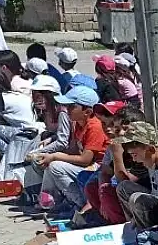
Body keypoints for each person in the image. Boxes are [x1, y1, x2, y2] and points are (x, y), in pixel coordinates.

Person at [36, 86, 107, 216]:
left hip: (98, 167)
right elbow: (74, 150)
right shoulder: (78, 123)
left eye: (72, 106)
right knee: (51, 164)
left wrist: (56, 156)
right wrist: (50, 156)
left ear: (87, 111)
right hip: (89, 165)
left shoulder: (94, 126)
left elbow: (85, 160)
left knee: (56, 166)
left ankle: (80, 202)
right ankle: (51, 200)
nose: (67, 110)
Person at [118, 121, 158, 229]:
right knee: (124, 187)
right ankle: (132, 226)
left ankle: (145, 233)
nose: (134, 159)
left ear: (151, 149)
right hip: (157, 201)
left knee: (137, 199)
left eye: (135, 154)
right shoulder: (152, 162)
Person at [83, 101, 136, 225]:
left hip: (132, 192)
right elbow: (105, 172)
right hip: (120, 188)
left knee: (109, 190)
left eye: (112, 124)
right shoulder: (112, 146)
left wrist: (117, 154)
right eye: (104, 123)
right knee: (92, 186)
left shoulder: (134, 146)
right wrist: (102, 200)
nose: (107, 128)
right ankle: (108, 219)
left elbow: (124, 181)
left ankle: (122, 225)